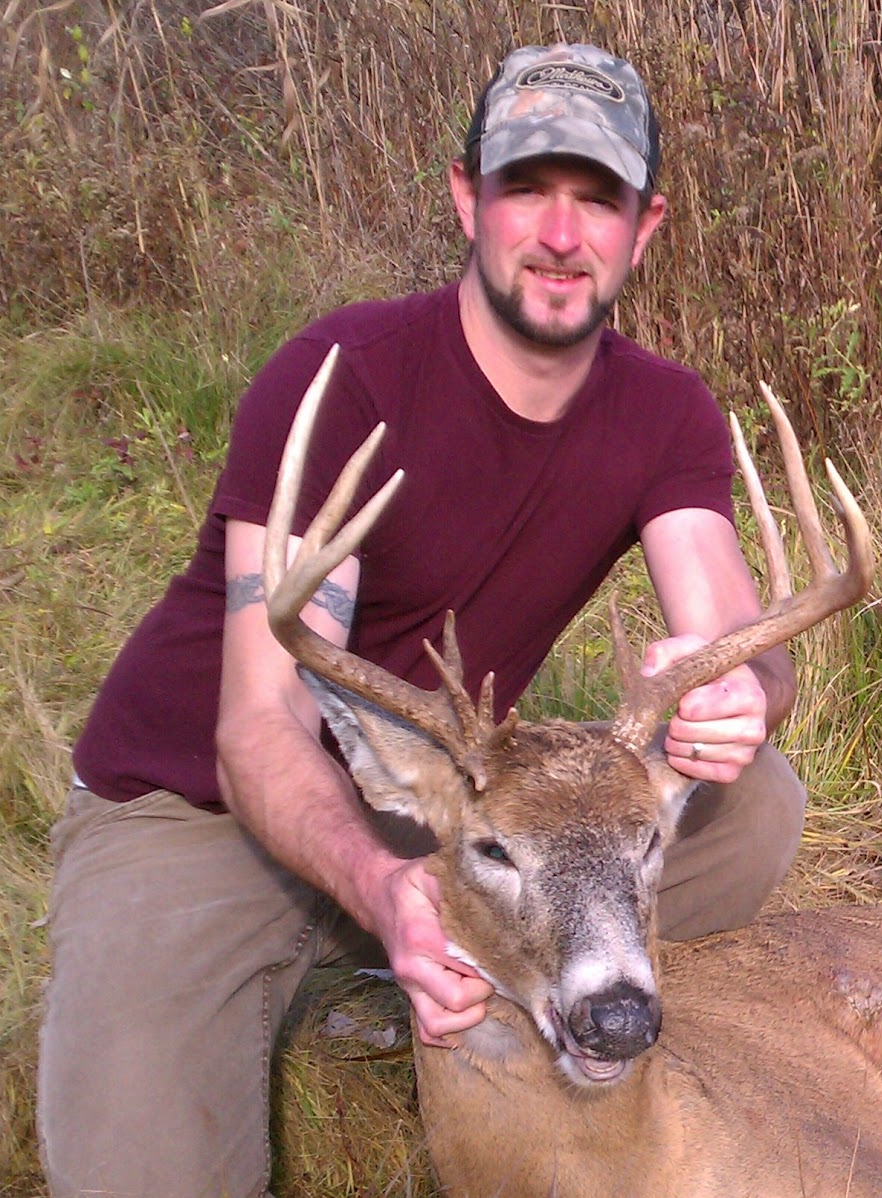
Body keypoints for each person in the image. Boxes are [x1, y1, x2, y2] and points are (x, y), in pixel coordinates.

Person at [37, 43, 806, 1197]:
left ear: (644, 228)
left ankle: (414, 982)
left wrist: (739, 693)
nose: (560, 233)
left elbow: (740, 639)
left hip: (439, 801)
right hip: (191, 805)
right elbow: (260, 722)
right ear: (467, 199)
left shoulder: (663, 411)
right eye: (525, 190)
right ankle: (365, 962)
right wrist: (378, 883)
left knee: (755, 805)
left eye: (596, 199)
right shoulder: (345, 376)